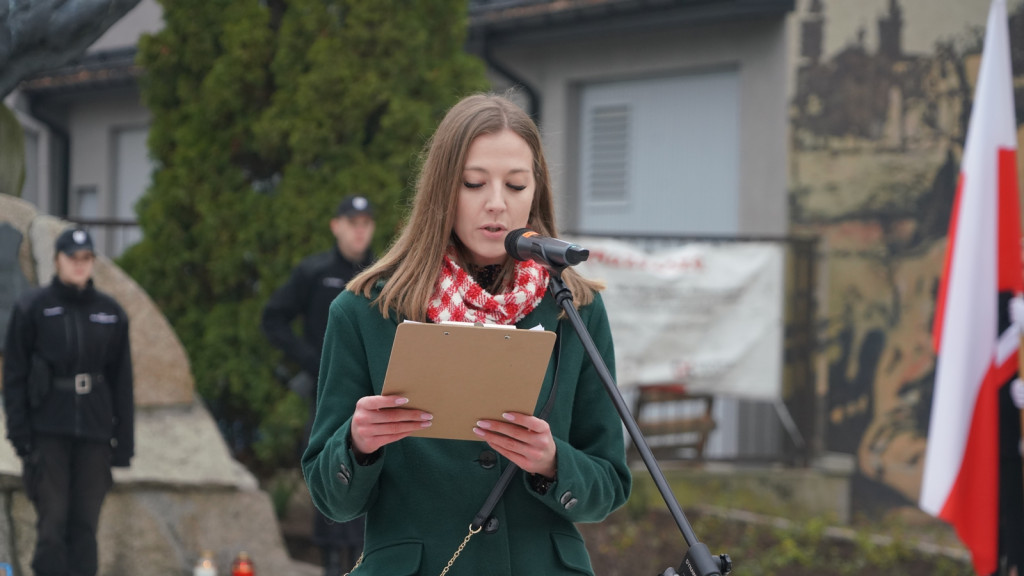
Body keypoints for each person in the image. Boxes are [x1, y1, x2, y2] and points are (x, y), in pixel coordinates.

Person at [301, 93, 632, 575]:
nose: (496, 204)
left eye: (516, 185)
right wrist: (357, 443)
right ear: (442, 190)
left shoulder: (573, 308)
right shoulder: (366, 311)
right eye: (474, 183)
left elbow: (608, 487)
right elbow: (332, 499)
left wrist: (553, 462)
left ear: (536, 192)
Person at [3, 227, 134, 576]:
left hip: (94, 432)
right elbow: (14, 375)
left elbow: (122, 382)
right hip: (48, 431)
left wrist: (124, 446)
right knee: (52, 525)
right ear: (57, 260)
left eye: (86, 258)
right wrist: (20, 436)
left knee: (85, 527)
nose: (79, 265)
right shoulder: (33, 307)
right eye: (72, 258)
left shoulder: (110, 313)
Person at [261, 195, 376, 576]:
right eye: (352, 222)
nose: (359, 230)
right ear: (336, 225)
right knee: (329, 472)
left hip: (375, 396)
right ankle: (329, 564)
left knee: (369, 475)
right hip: (327, 395)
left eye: (365, 222)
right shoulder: (314, 271)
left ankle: (365, 562)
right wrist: (313, 361)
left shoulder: (384, 273)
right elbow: (273, 318)